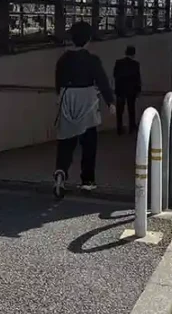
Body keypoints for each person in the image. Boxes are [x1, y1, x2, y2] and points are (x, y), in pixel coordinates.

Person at [53, 21, 115, 198]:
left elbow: (58, 83)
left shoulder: (63, 60)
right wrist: (110, 102)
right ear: (88, 39)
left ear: (72, 38)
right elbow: (102, 81)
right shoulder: (92, 60)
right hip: (86, 100)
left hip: (66, 98)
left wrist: (62, 97)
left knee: (66, 140)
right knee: (89, 142)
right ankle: (87, 181)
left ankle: (60, 173)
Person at [113, 45, 142, 134]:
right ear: (133, 54)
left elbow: (115, 75)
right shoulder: (135, 64)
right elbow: (137, 78)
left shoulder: (119, 63)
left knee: (120, 110)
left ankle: (119, 128)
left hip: (120, 89)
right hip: (131, 90)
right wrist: (138, 90)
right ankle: (132, 127)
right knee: (131, 109)